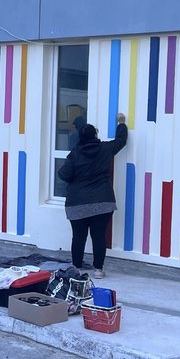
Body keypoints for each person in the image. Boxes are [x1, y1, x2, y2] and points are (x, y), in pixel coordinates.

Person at [57, 114, 128, 279]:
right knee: (98, 236)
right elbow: (121, 141)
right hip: (103, 201)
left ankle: (77, 268)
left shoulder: (75, 153)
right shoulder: (105, 149)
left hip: (77, 203)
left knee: (79, 236)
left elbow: (63, 174)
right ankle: (98, 270)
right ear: (95, 135)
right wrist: (121, 124)